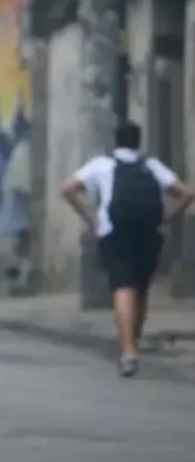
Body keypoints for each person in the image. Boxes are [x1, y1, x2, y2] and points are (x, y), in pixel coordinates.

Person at [61, 121, 194, 376]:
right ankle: (135, 340)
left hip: (115, 232)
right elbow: (187, 193)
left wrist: (89, 218)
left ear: (116, 141)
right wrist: (166, 216)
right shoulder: (152, 166)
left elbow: (67, 189)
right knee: (141, 289)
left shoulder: (102, 164)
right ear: (138, 142)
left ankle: (128, 351)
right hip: (148, 233)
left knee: (122, 286)